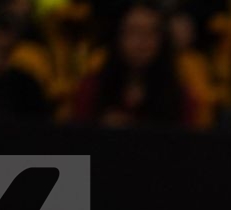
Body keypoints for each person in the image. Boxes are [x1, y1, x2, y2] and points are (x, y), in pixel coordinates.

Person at [69, 0, 199, 127]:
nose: (141, 42)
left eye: (150, 33)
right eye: (133, 32)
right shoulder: (92, 89)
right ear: (117, 37)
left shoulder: (179, 96)